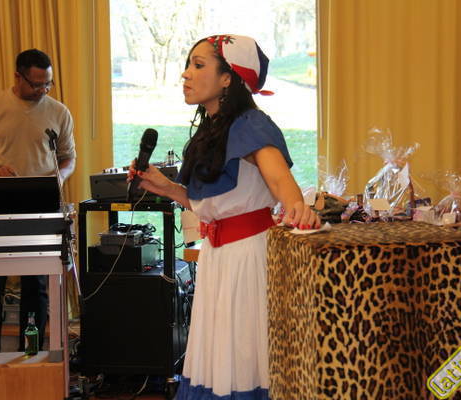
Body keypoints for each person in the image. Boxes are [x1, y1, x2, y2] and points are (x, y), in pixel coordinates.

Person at [129, 35, 320, 399]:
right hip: (219, 258)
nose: (186, 74)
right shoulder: (213, 128)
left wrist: (296, 205)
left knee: (243, 359)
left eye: (198, 65)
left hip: (247, 258)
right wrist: (165, 187)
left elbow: (278, 178)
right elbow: (215, 204)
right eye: (189, 64)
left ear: (228, 78)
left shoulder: (250, 124)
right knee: (222, 361)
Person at [0, 49, 76, 352]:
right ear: (18, 76)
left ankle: (31, 351)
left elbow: (69, 158)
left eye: (48, 84)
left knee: (36, 285)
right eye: (36, 84)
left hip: (40, 205)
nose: (43, 90)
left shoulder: (59, 112)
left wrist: (61, 177)